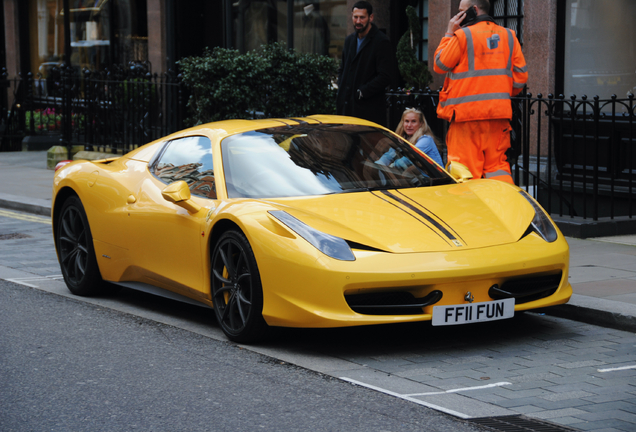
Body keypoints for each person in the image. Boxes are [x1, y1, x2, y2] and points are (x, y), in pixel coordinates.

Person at [433, 0, 528, 184]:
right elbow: (520, 78)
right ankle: (503, 208)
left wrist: (448, 32)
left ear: (473, 10)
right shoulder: (509, 36)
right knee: (497, 168)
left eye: (461, 12)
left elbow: (440, 64)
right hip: (498, 116)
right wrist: (498, 93)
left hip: (466, 119)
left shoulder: (462, 36)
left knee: (464, 170)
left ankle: (470, 210)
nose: (458, 17)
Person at [336, 1, 397, 127]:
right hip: (347, 109)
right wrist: (341, 87)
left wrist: (362, 92)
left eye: (362, 17)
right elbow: (342, 69)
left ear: (371, 17)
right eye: (355, 17)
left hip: (369, 111)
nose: (358, 21)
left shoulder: (381, 41)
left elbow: (386, 76)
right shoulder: (349, 40)